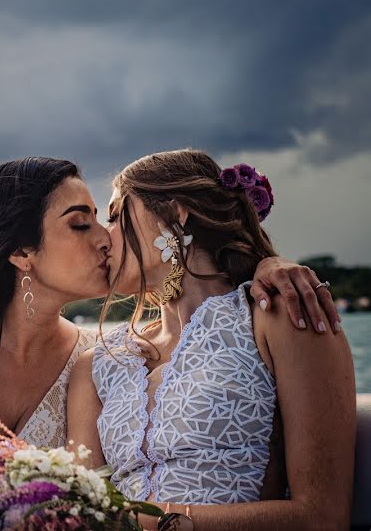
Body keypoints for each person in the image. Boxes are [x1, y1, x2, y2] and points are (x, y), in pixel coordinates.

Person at [0, 156, 340, 462]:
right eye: (81, 224)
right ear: (21, 252)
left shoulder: (99, 363)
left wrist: (267, 262)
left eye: (107, 219)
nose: (105, 239)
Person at [67, 150, 355, 530]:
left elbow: (322, 517)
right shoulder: (98, 363)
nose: (106, 236)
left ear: (175, 214)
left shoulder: (280, 317)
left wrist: (153, 524)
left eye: (118, 215)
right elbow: (80, 510)